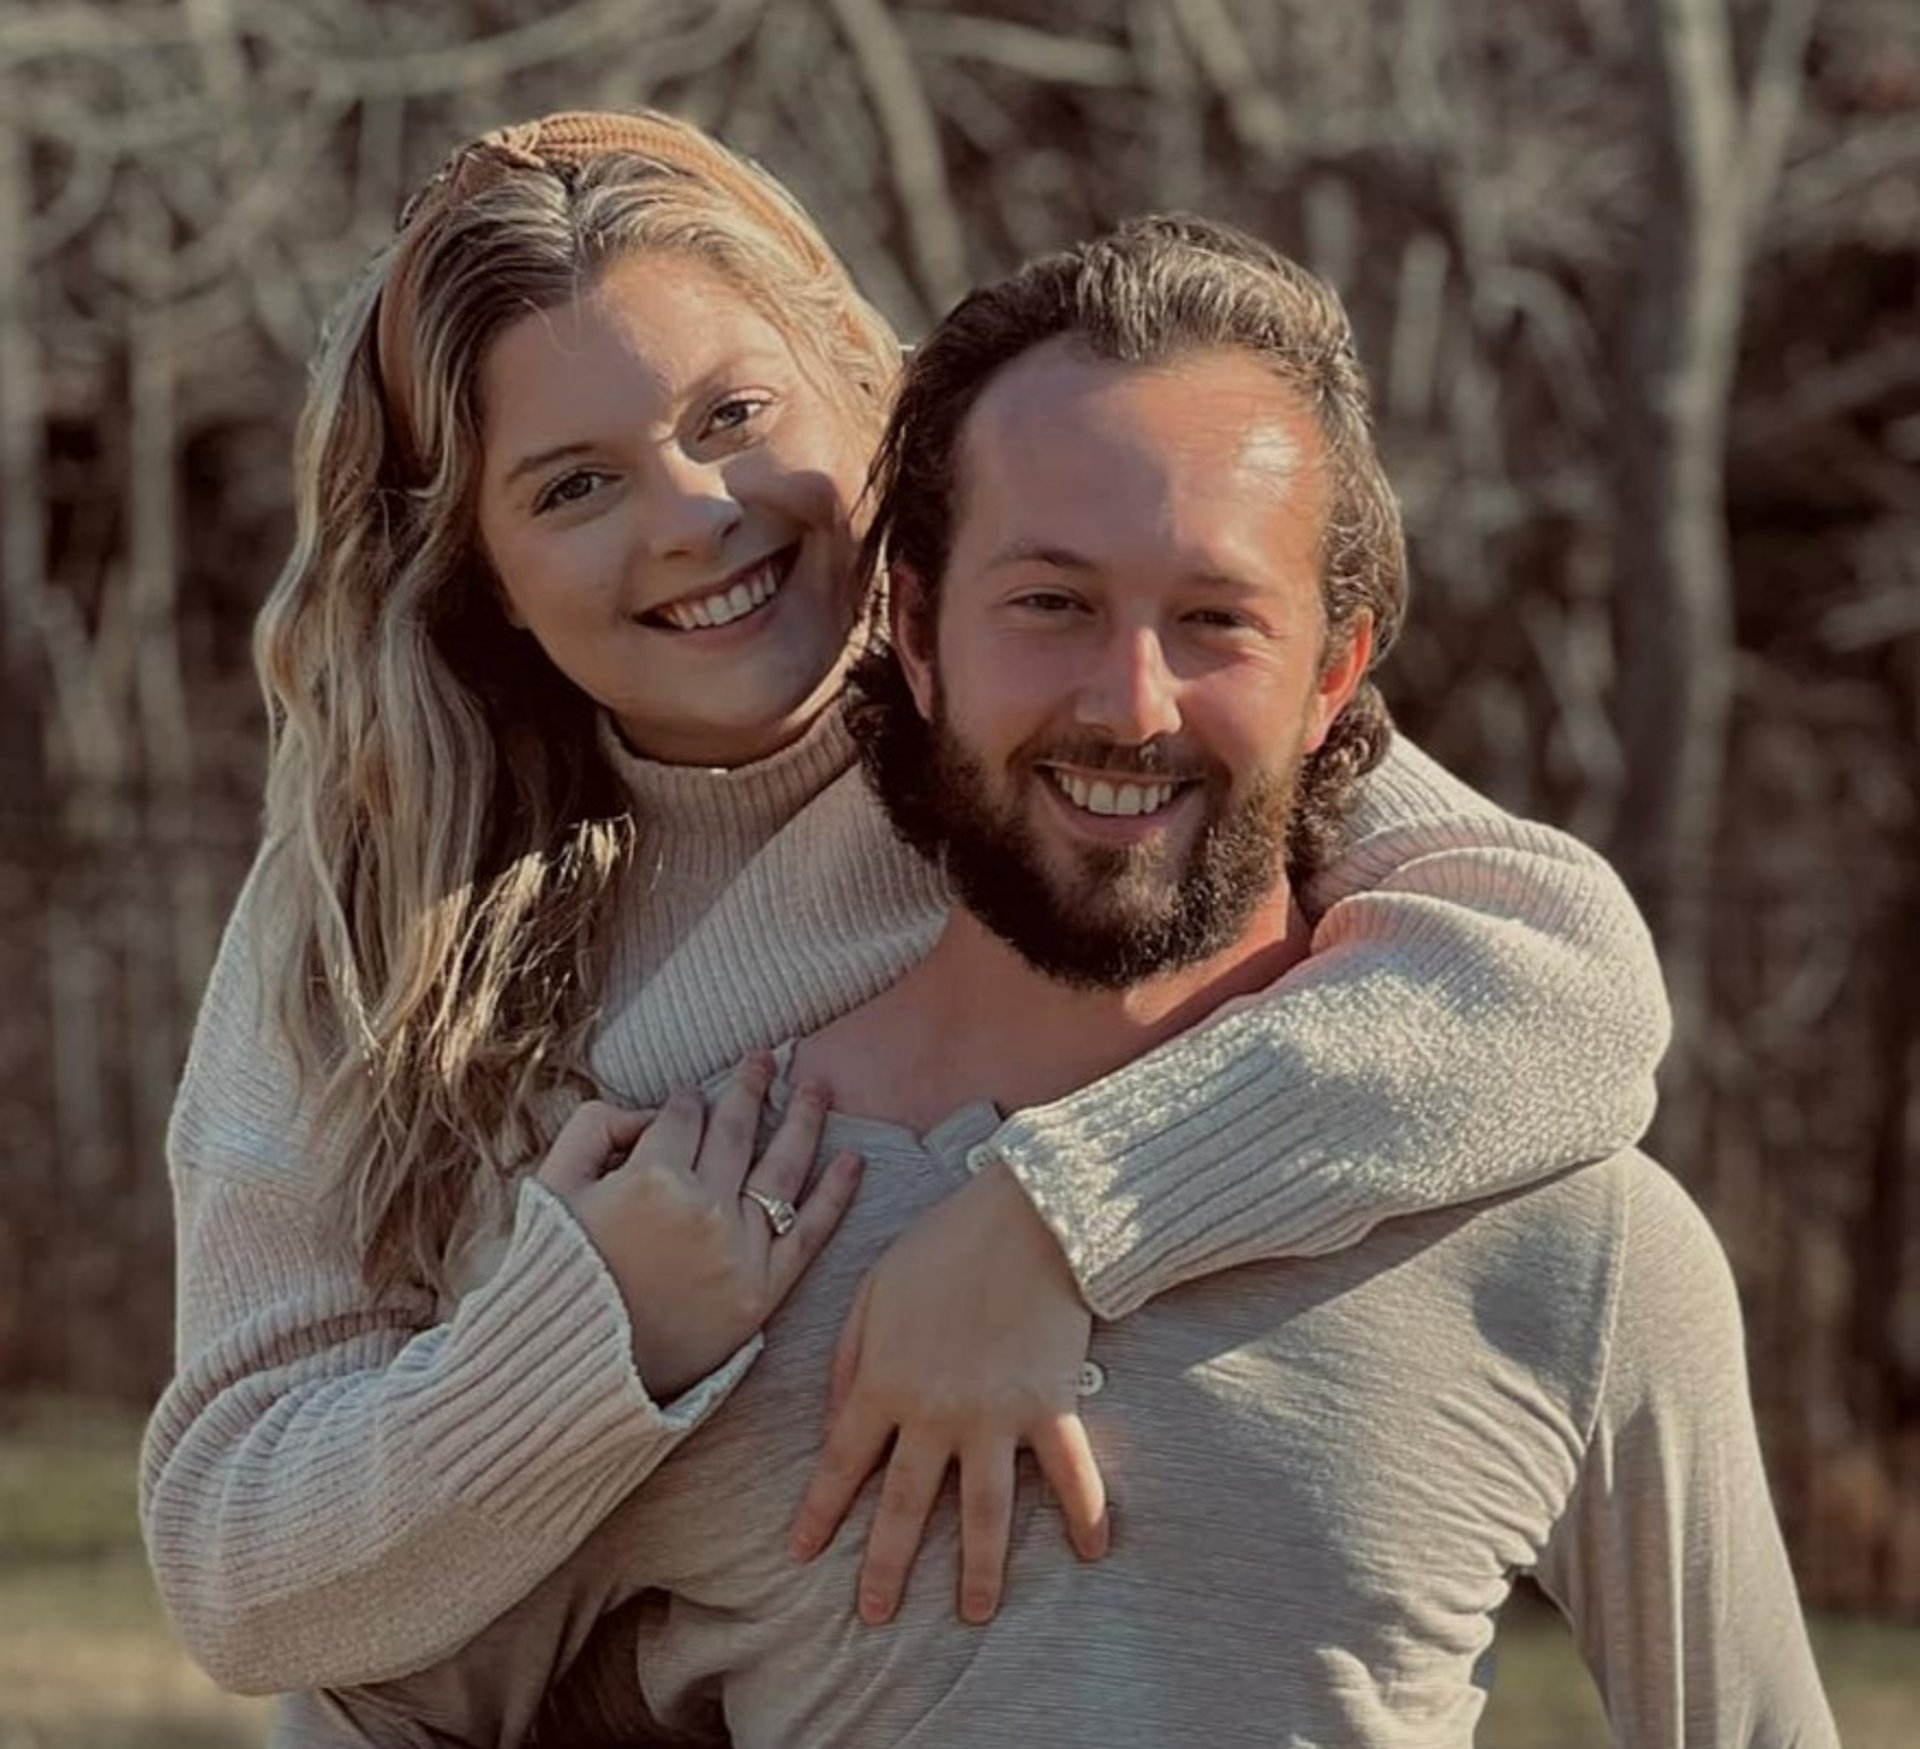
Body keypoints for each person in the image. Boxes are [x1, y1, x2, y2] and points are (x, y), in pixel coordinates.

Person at [140, 111, 1671, 1702]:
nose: (691, 514)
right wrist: (600, 1331)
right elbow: (238, 1571)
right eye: (576, 483)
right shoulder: (369, 896)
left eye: (734, 414)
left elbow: (1565, 984)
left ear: (858, 388)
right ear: (479, 563)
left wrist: (1053, 1218)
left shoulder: (1058, 714)